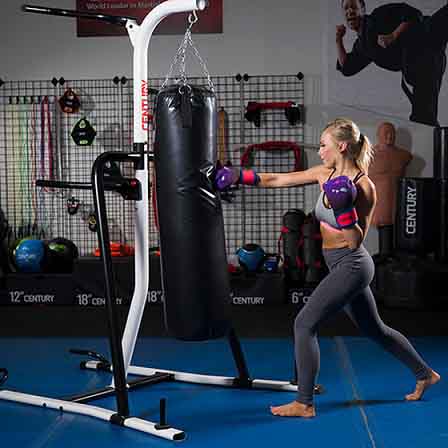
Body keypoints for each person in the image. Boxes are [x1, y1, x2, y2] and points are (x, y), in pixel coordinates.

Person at [215, 117, 440, 418]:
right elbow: (279, 180)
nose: (320, 151)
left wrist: (344, 209)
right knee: (376, 331)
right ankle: (425, 374)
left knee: (304, 324)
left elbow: (356, 240)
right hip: (336, 265)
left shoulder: (365, 187)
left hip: (353, 265)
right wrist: (239, 176)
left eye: (324, 145)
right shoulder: (325, 173)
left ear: (342, 146)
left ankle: (304, 402)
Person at [336, 0, 448, 126]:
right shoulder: (363, 46)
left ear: (362, 8)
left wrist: (393, 35)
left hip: (427, 34)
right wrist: (338, 40)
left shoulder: (379, 15)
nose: (349, 11)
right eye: (345, 9)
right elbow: (347, 67)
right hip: (422, 67)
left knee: (423, 117)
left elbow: (414, 14)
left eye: (353, 7)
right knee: (423, 118)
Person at [370, 122, 412, 254]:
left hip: (399, 204)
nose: (389, 136)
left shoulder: (404, 155)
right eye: (385, 133)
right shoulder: (369, 156)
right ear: (378, 135)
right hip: (379, 205)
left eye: (392, 133)